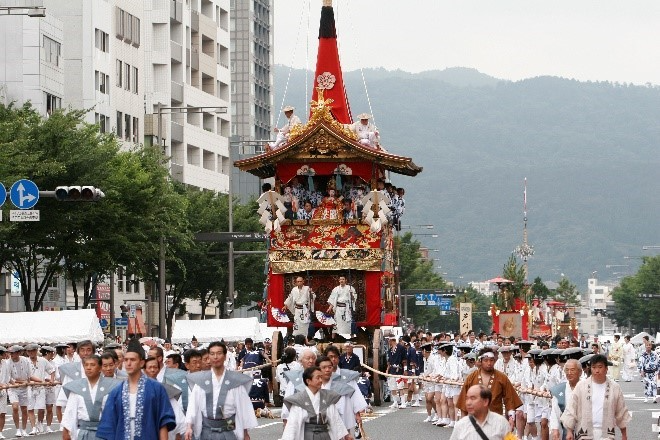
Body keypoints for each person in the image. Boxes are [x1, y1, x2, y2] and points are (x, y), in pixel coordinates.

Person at [96, 339, 176, 440]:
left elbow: (163, 422)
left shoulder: (157, 389)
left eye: (133, 360)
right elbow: (109, 425)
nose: (128, 363)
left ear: (142, 362)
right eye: (126, 360)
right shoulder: (116, 392)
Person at [184, 341, 257, 440]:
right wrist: (189, 426)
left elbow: (243, 408)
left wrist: (245, 433)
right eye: (212, 354)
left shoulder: (235, 381)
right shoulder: (201, 381)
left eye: (219, 353)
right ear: (208, 357)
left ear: (225, 356)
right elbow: (193, 406)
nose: (215, 357)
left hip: (228, 429)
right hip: (206, 430)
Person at [560, 354, 630, 440]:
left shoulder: (614, 387)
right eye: (594, 367)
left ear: (606, 369)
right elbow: (571, 408)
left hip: (606, 433)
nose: (597, 370)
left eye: (600, 367)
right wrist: (569, 431)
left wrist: (624, 434)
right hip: (584, 432)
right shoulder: (581, 386)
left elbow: (621, 411)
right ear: (590, 369)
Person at [456, 348, 522, 430]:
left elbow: (510, 400)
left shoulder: (502, 378)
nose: (489, 363)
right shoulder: (471, 378)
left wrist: (511, 419)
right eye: (486, 360)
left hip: (495, 420)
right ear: (480, 361)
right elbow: (463, 403)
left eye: (491, 360)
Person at [61, 355, 122, 440]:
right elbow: (70, 413)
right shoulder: (77, 387)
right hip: (83, 432)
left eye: (92, 365)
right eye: (86, 365)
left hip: (105, 431)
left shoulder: (112, 386)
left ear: (100, 368)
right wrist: (66, 432)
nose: (88, 368)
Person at [281, 366, 348, 440]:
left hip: (325, 435)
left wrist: (345, 436)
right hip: (307, 435)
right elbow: (293, 424)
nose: (320, 380)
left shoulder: (327, 397)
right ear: (308, 381)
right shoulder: (300, 399)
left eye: (321, 377)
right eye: (317, 378)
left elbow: (335, 419)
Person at [143, 357, 186, 440]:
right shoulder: (138, 389)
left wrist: (178, 434)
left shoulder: (165, 389)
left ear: (159, 370)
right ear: (144, 370)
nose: (152, 370)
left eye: (155, 367)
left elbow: (178, 417)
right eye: (149, 367)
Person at [25, 343, 55, 435]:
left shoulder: (42, 360)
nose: (31, 353)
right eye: (29, 351)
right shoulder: (25, 361)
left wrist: (52, 380)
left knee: (41, 408)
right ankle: (33, 427)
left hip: (41, 388)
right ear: (27, 352)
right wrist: (41, 380)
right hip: (29, 387)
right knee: (30, 409)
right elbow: (27, 376)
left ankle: (40, 422)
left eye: (33, 350)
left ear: (36, 351)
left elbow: (52, 370)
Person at [549, 359, 582, 440]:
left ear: (580, 372)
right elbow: (555, 412)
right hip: (566, 430)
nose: (569, 373)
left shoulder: (586, 387)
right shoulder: (560, 389)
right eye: (567, 370)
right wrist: (555, 429)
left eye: (572, 370)